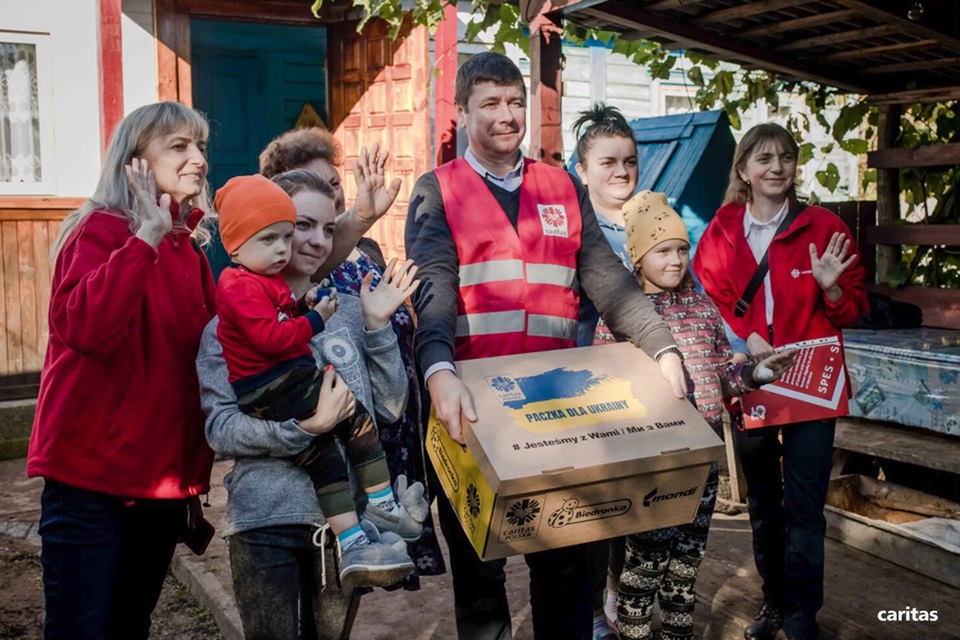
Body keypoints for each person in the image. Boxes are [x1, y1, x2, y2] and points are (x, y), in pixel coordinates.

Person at [405, 51, 687, 640]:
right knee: (481, 585)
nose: (506, 116)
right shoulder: (439, 190)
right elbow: (432, 287)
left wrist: (663, 348)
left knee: (564, 575)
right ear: (462, 111)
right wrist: (437, 371)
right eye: (490, 104)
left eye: (515, 103)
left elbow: (608, 280)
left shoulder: (560, 186)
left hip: (557, 413)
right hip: (473, 414)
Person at [198, 164, 418, 638]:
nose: (317, 240)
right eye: (302, 226)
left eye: (328, 228)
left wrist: (378, 329)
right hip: (265, 522)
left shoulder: (348, 311)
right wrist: (304, 430)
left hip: (342, 531)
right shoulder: (224, 329)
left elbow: (392, 407)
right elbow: (220, 428)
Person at [27, 101, 218, 639]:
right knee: (81, 630)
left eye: (200, 146)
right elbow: (85, 330)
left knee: (130, 626)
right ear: (135, 163)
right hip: (91, 481)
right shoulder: (98, 231)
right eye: (179, 146)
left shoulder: (189, 251)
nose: (198, 158)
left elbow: (207, 355)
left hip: (159, 483)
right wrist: (144, 240)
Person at [693, 123, 867, 640]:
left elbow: (852, 309)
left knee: (806, 507)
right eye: (764, 159)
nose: (776, 168)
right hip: (752, 380)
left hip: (813, 382)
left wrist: (832, 291)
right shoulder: (722, 227)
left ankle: (800, 618)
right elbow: (709, 301)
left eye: (786, 158)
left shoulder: (824, 226)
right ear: (744, 169)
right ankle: (773, 603)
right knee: (765, 504)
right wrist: (746, 341)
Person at [598, 190, 795, 640]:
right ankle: (633, 633)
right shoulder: (621, 317)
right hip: (652, 465)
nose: (676, 260)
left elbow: (726, 370)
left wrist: (755, 373)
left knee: (686, 565)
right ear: (638, 256)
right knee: (645, 564)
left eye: (682, 249)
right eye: (663, 250)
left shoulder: (703, 309)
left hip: (703, 461)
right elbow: (605, 385)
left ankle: (677, 634)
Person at [260, 126, 447, 589]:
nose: (329, 193)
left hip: (385, 414)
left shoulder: (364, 250)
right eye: (311, 187)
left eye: (333, 183)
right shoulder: (282, 275)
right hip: (333, 442)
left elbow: (380, 327)